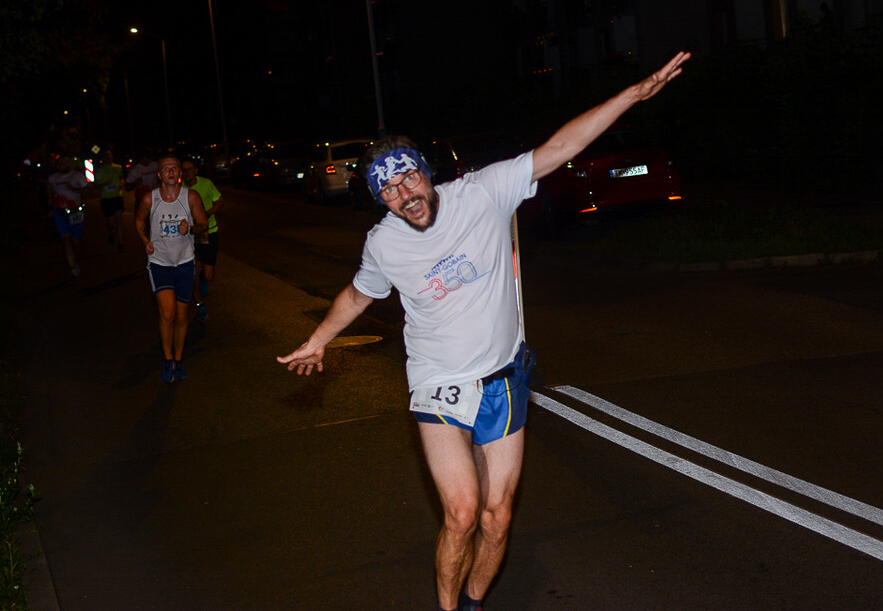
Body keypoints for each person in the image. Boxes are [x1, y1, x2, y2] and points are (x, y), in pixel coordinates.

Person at [277, 51, 690, 611]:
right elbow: (357, 294)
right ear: (380, 199)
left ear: (425, 171)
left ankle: (472, 603)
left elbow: (559, 148)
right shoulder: (384, 244)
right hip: (439, 382)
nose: (405, 194)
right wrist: (318, 339)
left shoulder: (483, 192)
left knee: (496, 518)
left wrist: (632, 95)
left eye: (408, 177)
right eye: (389, 190)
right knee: (463, 513)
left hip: (502, 378)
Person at [136, 154, 208, 383]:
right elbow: (139, 221)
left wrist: (191, 229)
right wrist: (145, 240)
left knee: (182, 314)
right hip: (159, 263)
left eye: (174, 168)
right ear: (159, 175)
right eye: (166, 168)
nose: (170, 171)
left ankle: (178, 358)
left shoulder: (191, 197)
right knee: (167, 314)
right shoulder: (150, 199)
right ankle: (167, 360)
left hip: (184, 262)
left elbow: (204, 225)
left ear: (180, 174)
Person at [182, 158, 224, 321]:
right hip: (189, 233)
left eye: (190, 169)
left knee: (208, 275)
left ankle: (202, 277)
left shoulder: (206, 184)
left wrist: (208, 213)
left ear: (196, 170)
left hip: (207, 230)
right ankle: (199, 302)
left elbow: (219, 200)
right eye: (184, 170)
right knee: (191, 269)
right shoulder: (180, 188)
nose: (187, 172)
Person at [47, 156, 89, 278]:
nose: (64, 164)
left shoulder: (77, 176)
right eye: (61, 163)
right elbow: (49, 191)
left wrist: (75, 189)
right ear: (57, 166)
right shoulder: (52, 178)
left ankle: (75, 261)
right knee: (66, 239)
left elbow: (89, 191)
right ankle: (72, 267)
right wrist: (49, 206)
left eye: (66, 162)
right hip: (60, 212)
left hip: (76, 212)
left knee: (75, 242)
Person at [96, 149, 126, 252]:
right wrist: (104, 184)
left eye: (110, 155)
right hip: (106, 198)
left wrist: (121, 183)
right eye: (106, 156)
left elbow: (122, 178)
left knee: (118, 220)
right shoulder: (100, 170)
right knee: (110, 223)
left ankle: (120, 244)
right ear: (103, 158)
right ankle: (110, 233)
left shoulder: (118, 167)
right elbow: (96, 184)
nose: (108, 157)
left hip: (117, 196)